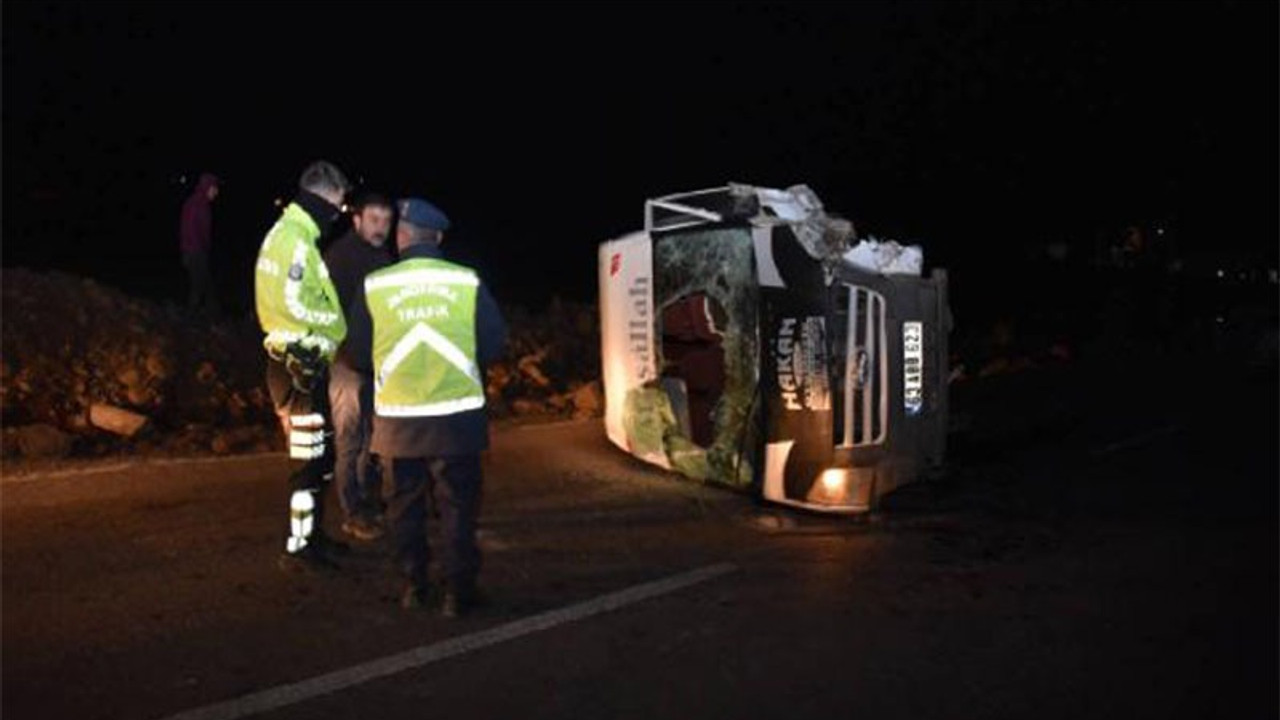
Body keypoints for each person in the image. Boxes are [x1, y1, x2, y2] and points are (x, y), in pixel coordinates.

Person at [347, 198, 506, 616]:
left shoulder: (376, 285)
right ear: (437, 238)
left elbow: (357, 353)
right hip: (457, 422)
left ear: (401, 238)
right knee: (458, 506)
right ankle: (457, 593)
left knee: (405, 506)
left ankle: (413, 586)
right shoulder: (465, 281)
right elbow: (494, 344)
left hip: (398, 424)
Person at [253, 160, 351, 573]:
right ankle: (297, 548)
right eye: (339, 205)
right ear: (324, 198)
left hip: (303, 363)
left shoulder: (292, 235)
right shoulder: (293, 241)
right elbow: (293, 304)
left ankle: (312, 535)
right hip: (299, 365)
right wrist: (335, 323)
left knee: (320, 459)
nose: (339, 213)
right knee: (307, 463)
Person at [322, 192, 394, 541]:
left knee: (372, 438)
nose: (381, 227)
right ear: (357, 220)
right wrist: (345, 352)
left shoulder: (383, 258)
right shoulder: (340, 256)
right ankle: (352, 511)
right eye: (374, 219)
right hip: (347, 365)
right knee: (350, 440)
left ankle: (367, 500)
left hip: (374, 364)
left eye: (386, 220)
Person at [178, 172, 220, 317]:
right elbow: (192, 229)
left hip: (194, 251)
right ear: (207, 188)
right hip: (195, 252)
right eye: (214, 189)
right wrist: (198, 249)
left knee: (204, 284)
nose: (216, 192)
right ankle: (190, 317)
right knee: (199, 285)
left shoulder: (198, 203)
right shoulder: (198, 205)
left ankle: (210, 315)